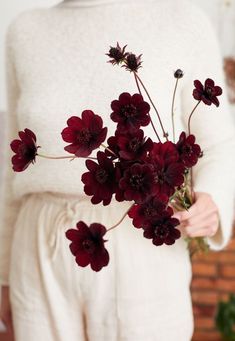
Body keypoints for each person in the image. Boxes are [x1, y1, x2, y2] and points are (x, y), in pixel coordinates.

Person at [0, 0, 235, 340]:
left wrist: (212, 199)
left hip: (139, 241)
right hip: (39, 250)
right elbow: (12, 165)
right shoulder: (25, 30)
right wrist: (5, 274)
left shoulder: (182, 22)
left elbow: (217, 144)